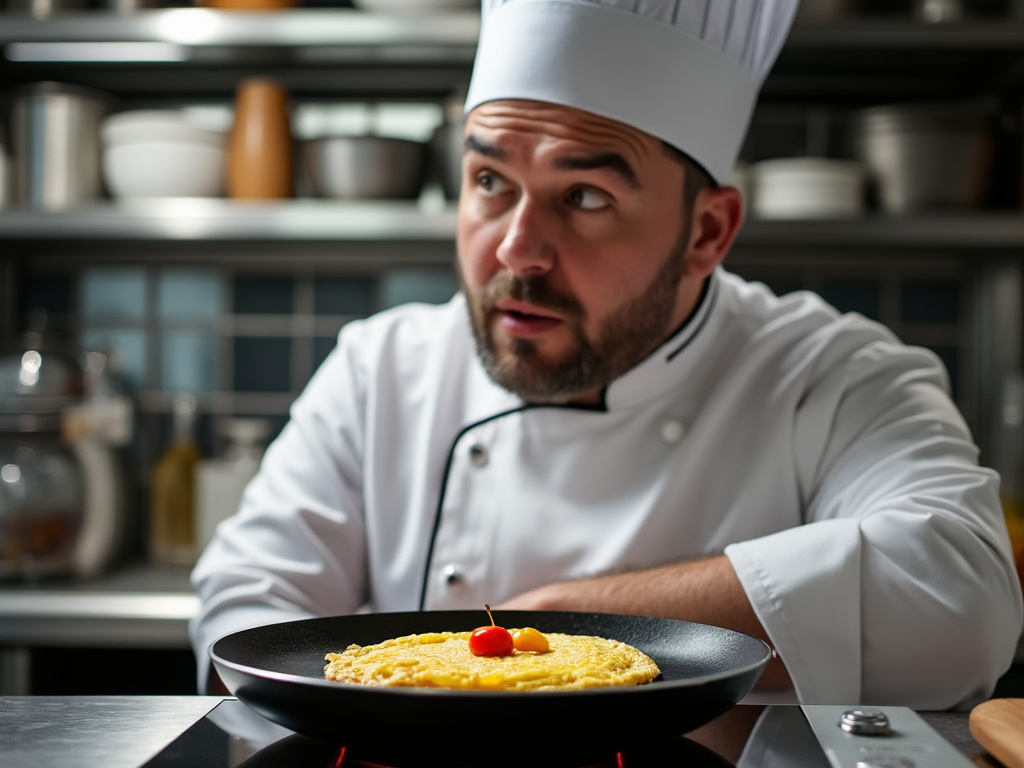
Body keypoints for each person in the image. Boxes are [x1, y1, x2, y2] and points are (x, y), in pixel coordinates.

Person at [190, 0, 1023, 708]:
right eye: (489, 182)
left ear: (707, 232)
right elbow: (246, 612)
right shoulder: (380, 371)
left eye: (584, 196)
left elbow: (961, 602)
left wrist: (560, 630)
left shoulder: (835, 377)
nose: (516, 249)